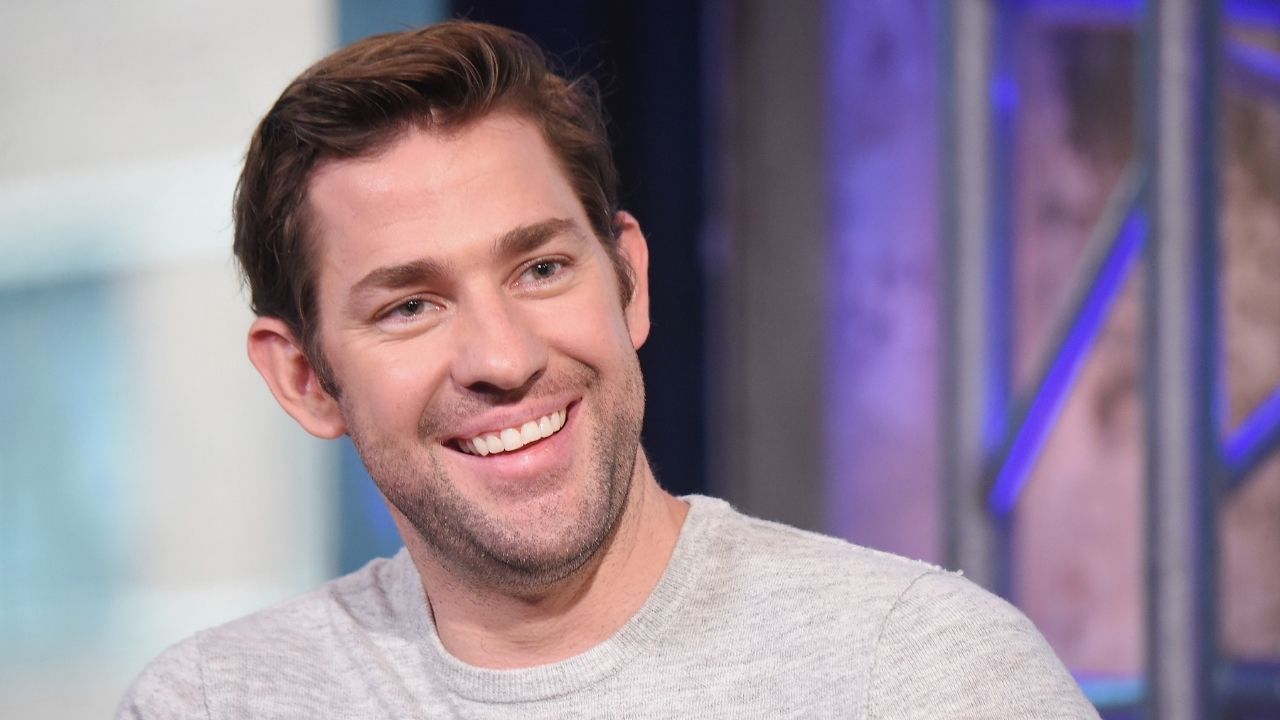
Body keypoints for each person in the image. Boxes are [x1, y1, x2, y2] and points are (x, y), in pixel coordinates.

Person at [118, 20, 1099, 719]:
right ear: (304, 380)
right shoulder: (216, 704)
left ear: (626, 281)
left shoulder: (914, 672)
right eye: (409, 306)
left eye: (539, 268)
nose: (502, 358)